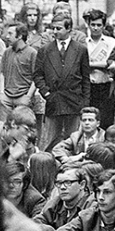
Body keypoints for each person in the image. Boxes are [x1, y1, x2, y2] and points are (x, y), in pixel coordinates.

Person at [33, 14, 91, 151]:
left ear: (69, 28)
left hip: (74, 102)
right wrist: (46, 93)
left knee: (75, 141)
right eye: (53, 28)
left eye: (58, 28)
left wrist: (85, 103)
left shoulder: (80, 50)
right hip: (54, 101)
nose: (54, 31)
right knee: (50, 140)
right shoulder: (45, 50)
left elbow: (85, 79)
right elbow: (37, 75)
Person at [82, 9, 115, 126]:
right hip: (89, 86)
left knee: (106, 119)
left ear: (104, 26)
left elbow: (110, 63)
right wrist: (101, 64)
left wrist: (90, 64)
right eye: (93, 25)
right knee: (89, 119)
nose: (95, 28)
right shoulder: (84, 43)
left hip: (106, 86)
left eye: (98, 25)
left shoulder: (111, 42)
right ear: (88, 25)